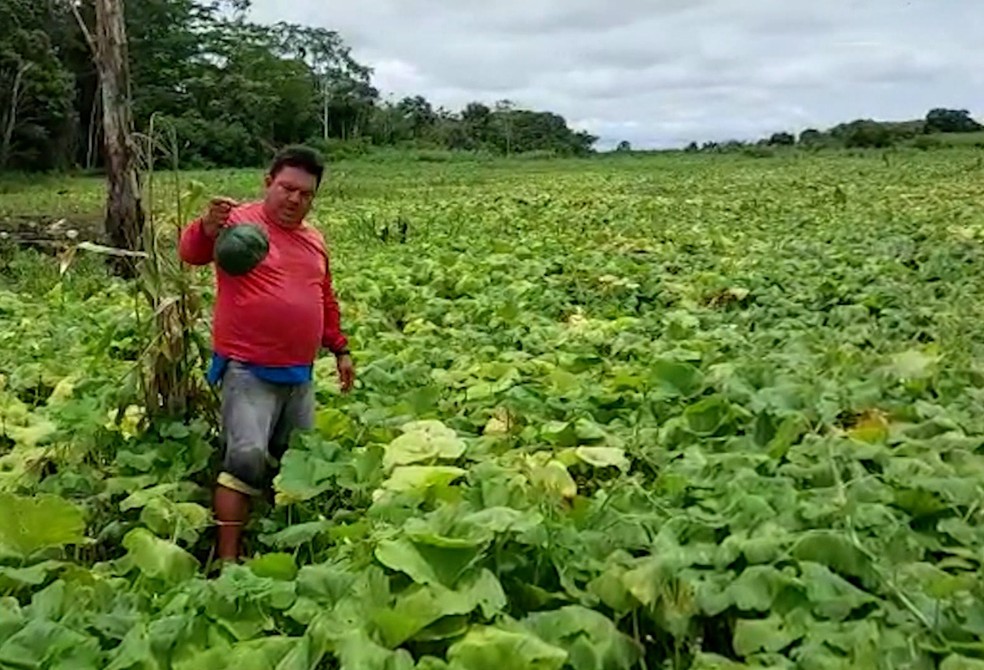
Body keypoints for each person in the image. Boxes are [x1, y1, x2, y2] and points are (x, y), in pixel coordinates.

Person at [178, 145, 355, 562]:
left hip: (300, 373)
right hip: (248, 367)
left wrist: (340, 348)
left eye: (306, 194)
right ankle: (227, 558)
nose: (295, 199)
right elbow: (192, 254)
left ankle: (279, 544)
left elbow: (323, 296)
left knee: (294, 462)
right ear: (268, 183)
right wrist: (205, 227)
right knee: (245, 458)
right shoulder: (238, 223)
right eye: (287, 188)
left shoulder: (314, 239)